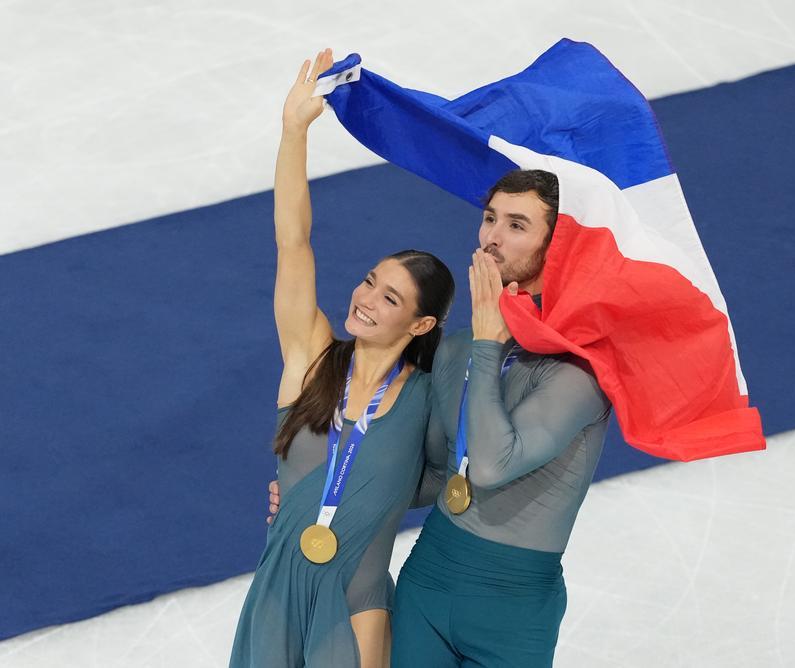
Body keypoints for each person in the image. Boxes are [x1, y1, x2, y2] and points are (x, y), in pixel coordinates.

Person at [269, 169, 612, 667]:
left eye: (516, 225)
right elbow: (425, 473)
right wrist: (307, 493)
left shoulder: (579, 367)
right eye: (490, 218)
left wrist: (490, 347)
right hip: (427, 579)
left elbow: (492, 464)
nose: (492, 236)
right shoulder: (455, 351)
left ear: (557, 244)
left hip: (513, 604)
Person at [230, 48, 455, 668]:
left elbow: (447, 477)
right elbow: (292, 241)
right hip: (277, 590)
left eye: (390, 298)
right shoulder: (310, 356)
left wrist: (374, 496)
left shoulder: (426, 395)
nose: (365, 299)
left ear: (422, 323)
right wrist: (294, 132)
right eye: (368, 281)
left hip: (360, 604)